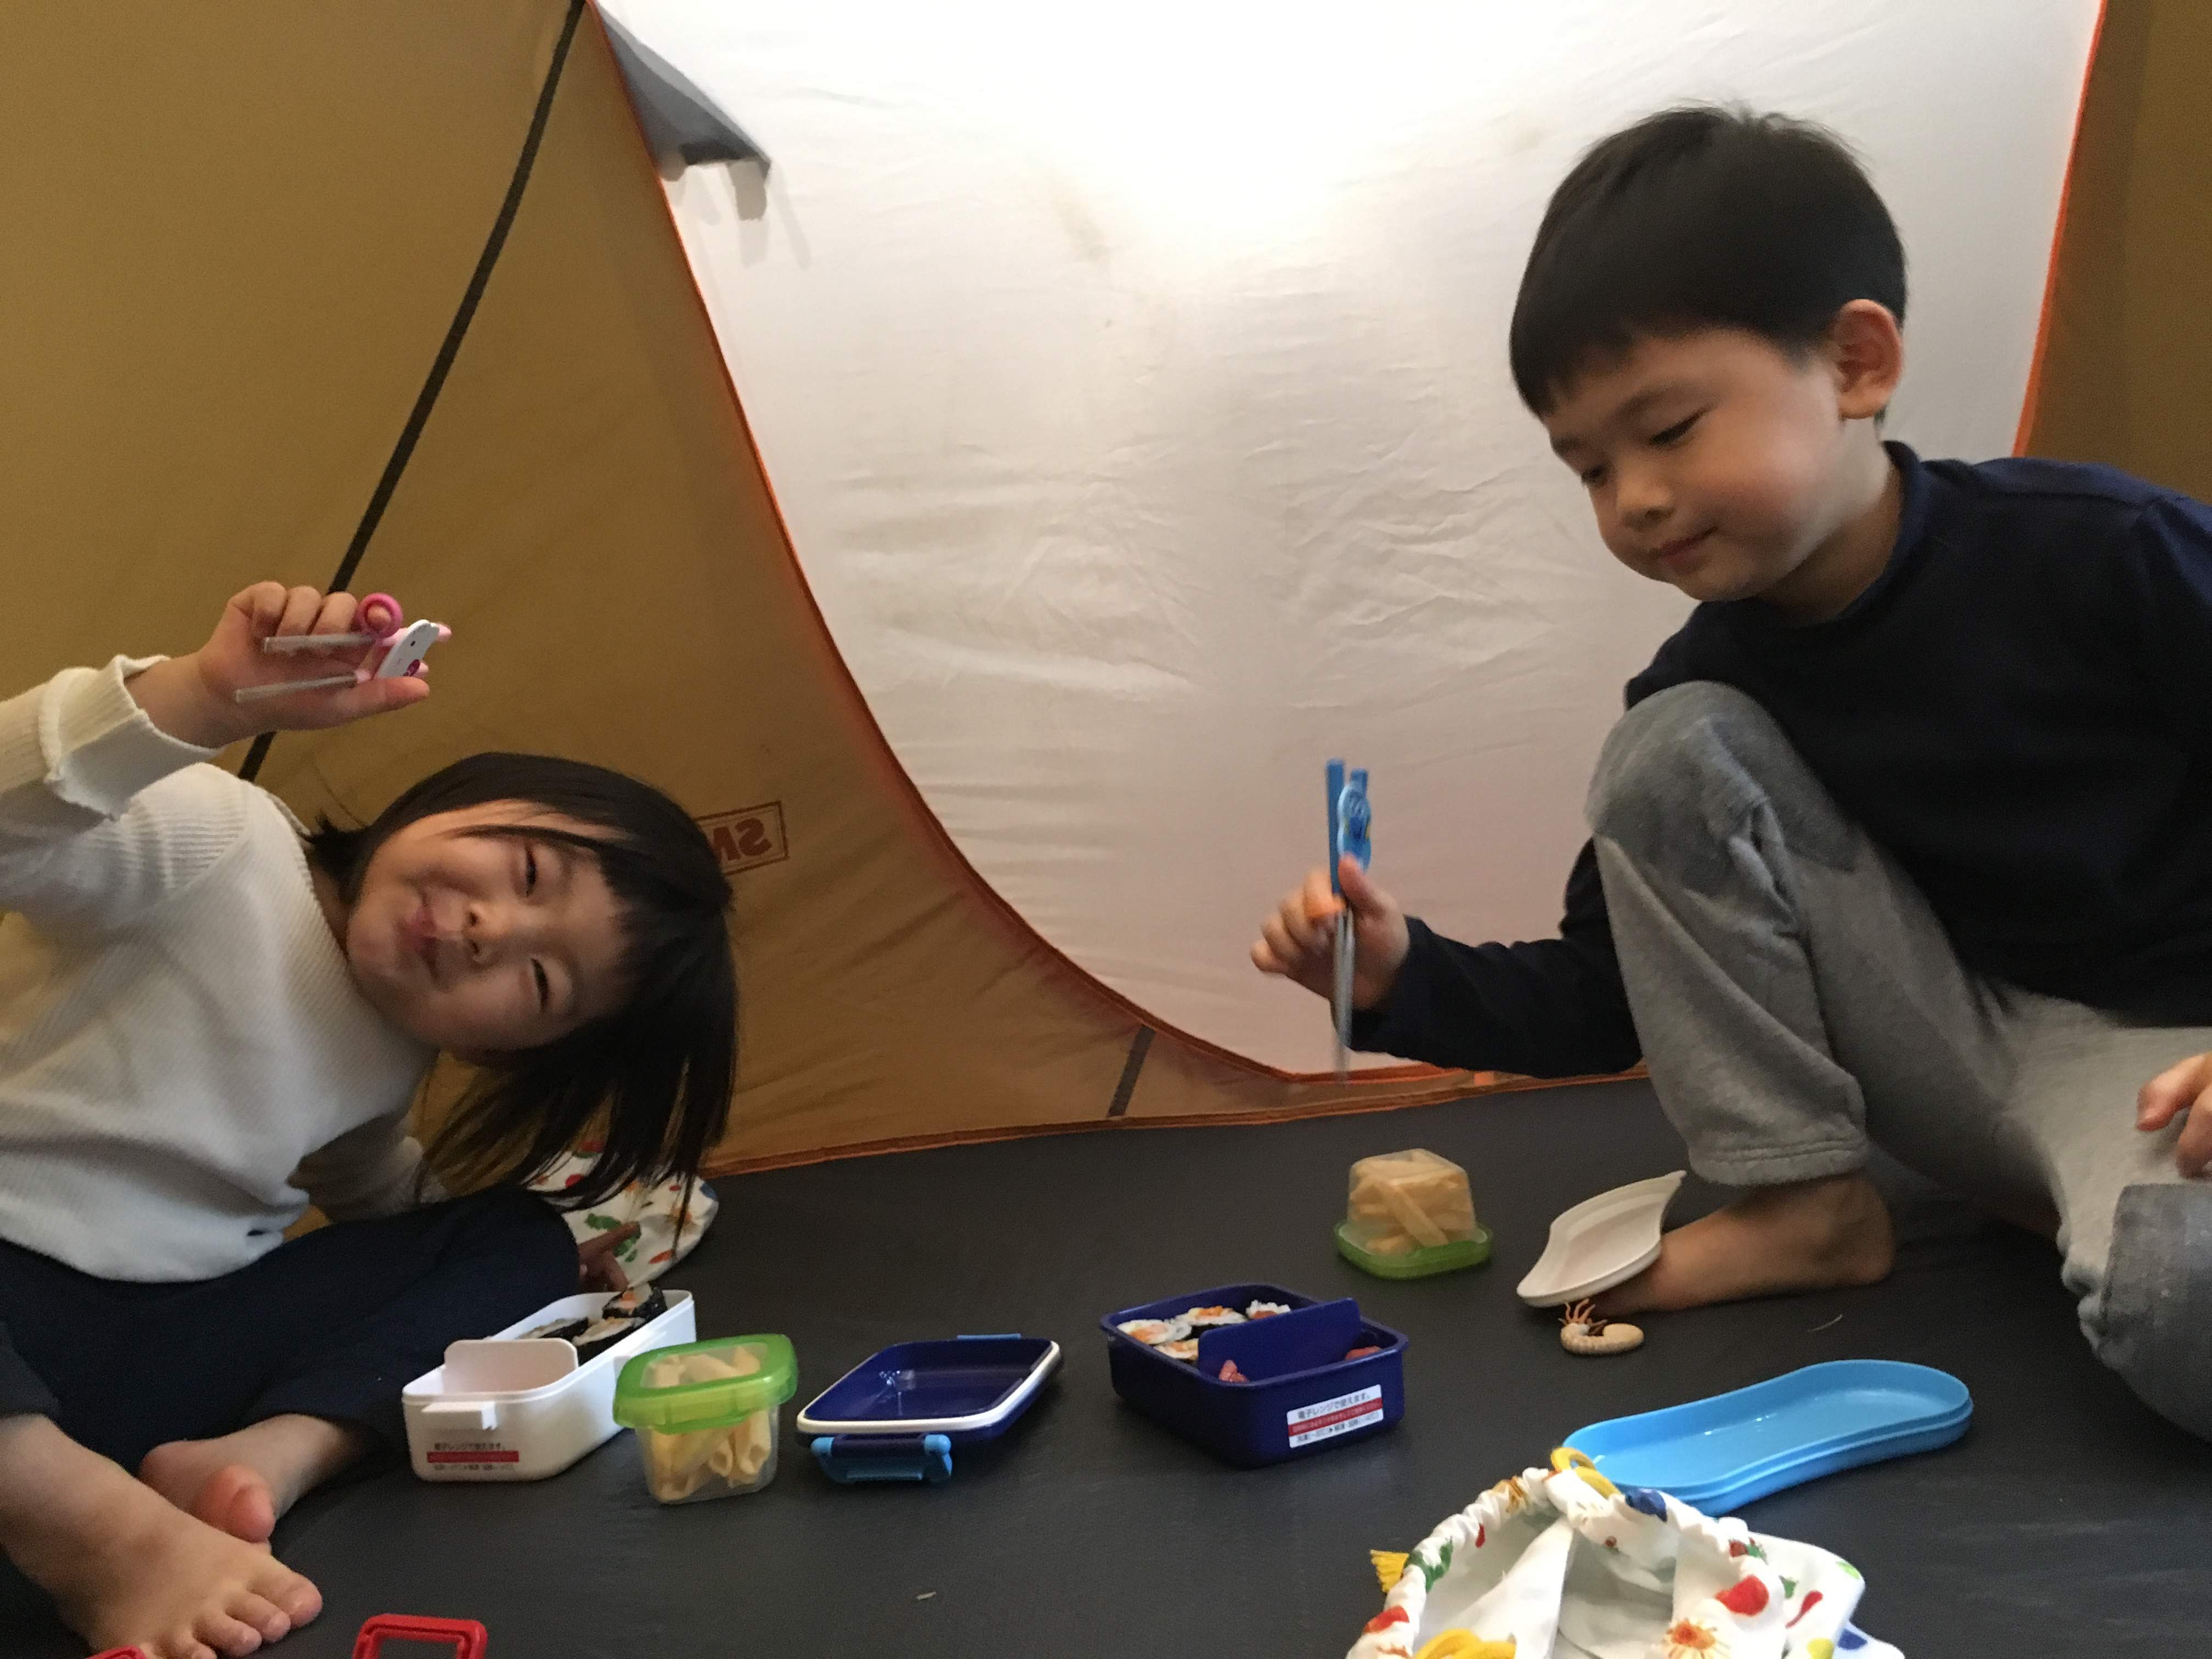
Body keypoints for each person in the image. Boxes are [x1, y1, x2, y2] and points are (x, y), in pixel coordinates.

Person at [1254, 105, 2212, 1443]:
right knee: (1670, 752)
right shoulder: (1709, 694)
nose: (1634, 500)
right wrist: (1403, 975)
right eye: (1590, 468)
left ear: (1856, 361)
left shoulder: (2104, 552)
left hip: (2172, 1058)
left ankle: (2069, 1202)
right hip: (1953, 1058)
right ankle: (1808, 1205)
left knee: (2186, 1305)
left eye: (1669, 430)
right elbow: (1620, 994)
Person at [0, 583, 736, 1657]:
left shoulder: (391, 1050)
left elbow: (376, 1191)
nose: (491, 927)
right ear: (466, 795)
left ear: (501, 1054)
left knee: (521, 1235)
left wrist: (519, 1273)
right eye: (527, 870)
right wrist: (199, 699)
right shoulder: (217, 840)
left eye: (540, 982)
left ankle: (271, 1454)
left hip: (157, 1354)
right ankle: (89, 1531)